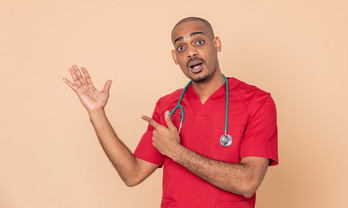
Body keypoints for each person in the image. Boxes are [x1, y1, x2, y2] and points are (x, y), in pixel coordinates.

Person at [63, 17, 278, 208]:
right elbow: (133, 174)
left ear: (216, 44)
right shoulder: (168, 106)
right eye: (182, 48)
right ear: (175, 58)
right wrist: (97, 113)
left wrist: (175, 152)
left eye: (199, 42)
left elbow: (247, 183)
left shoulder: (257, 102)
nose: (191, 52)